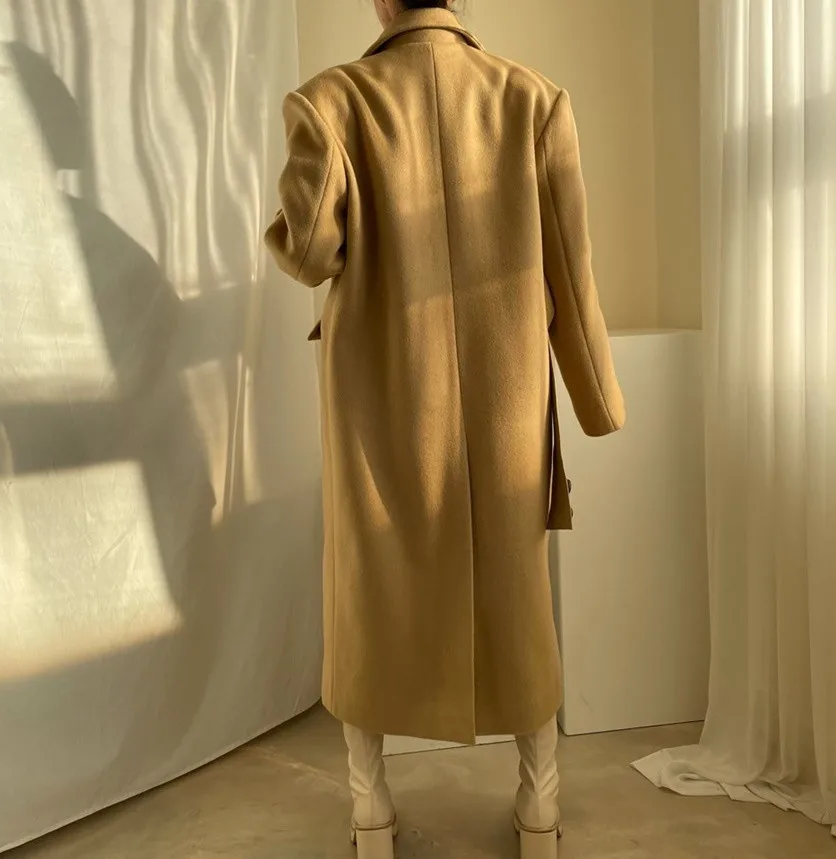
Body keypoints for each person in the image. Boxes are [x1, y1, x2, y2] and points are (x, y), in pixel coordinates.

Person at [265, 2, 625, 857]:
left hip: (380, 405)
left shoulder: (330, 101)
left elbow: (309, 252)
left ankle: (371, 816)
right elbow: (571, 273)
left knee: (370, 597)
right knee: (519, 598)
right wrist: (597, 400)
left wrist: (289, 219)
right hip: (505, 405)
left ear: (380, 2)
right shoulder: (533, 101)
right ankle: (538, 811)